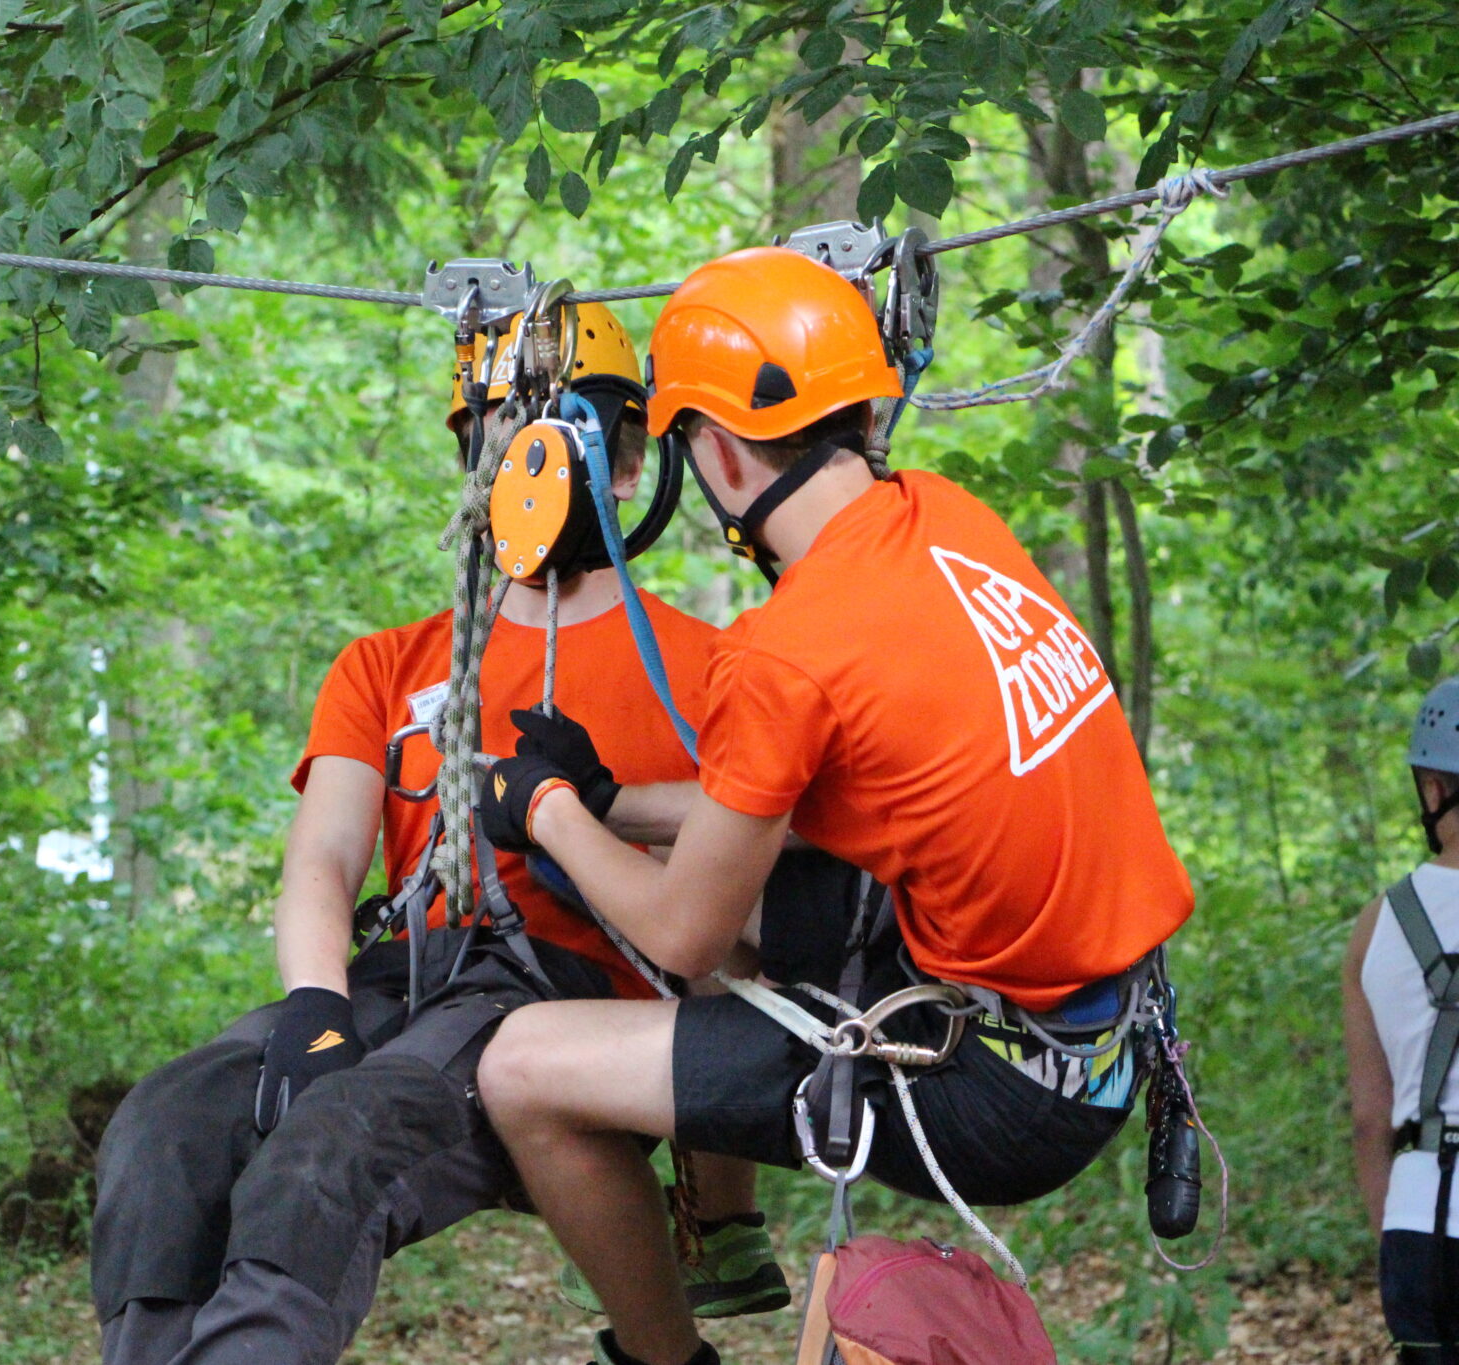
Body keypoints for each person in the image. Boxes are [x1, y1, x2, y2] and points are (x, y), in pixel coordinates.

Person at [472, 246, 1196, 1365]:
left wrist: (550, 808)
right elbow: (854, 797)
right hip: (1086, 1028)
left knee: (519, 1067)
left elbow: (679, 929)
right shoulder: (942, 520)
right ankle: (723, 1228)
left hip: (1004, 1092)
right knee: (708, 905)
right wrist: (615, 802)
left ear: (710, 449)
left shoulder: (787, 651)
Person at [89, 303, 784, 1365]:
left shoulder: (708, 671)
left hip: (571, 994)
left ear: (632, 465)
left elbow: (758, 868)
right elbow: (324, 854)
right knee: (167, 1123)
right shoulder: (390, 665)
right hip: (404, 971)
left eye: (563, 440)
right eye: (501, 442)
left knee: (333, 1150)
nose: (528, 467)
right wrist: (314, 1003)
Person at [1345, 677, 1459, 1364]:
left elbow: (1370, 1117)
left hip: (1417, 1225)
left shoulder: (1376, 926)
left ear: (1431, 788)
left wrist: (1391, 1234)